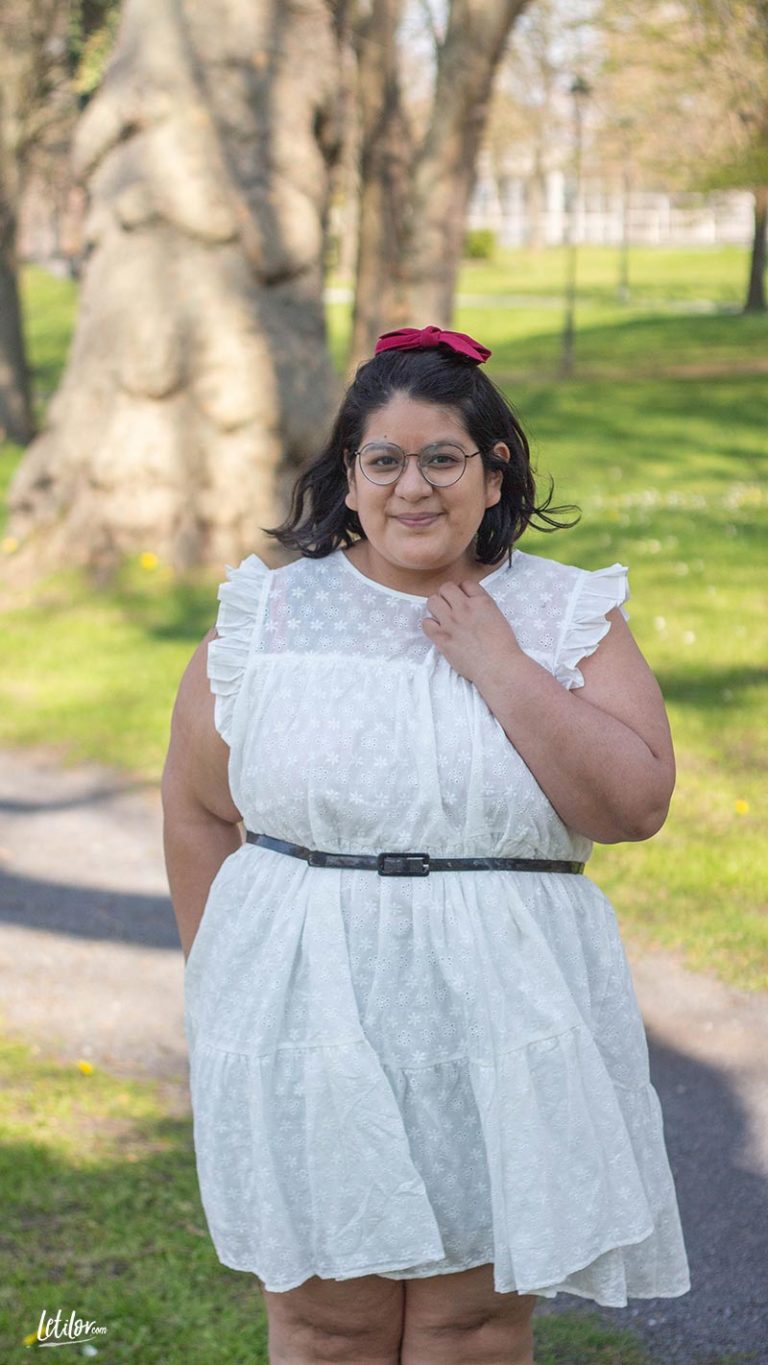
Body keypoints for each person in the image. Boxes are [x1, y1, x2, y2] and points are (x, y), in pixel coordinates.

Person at [161, 324, 691, 1365]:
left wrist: (499, 662)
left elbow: (635, 805)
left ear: (493, 473)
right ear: (349, 476)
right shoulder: (272, 616)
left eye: (442, 458)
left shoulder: (565, 612)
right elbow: (195, 807)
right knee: (328, 1326)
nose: (414, 487)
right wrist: (222, 983)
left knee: (473, 1326)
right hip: (308, 1014)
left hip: (504, 1016)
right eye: (385, 461)